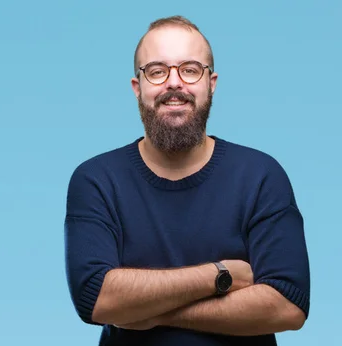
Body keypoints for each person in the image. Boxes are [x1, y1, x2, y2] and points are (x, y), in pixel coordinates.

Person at [63, 15, 310, 346]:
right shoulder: (96, 180)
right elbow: (96, 299)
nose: (174, 83)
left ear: (212, 83)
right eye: (157, 71)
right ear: (138, 88)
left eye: (190, 69)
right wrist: (220, 275)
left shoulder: (261, 176)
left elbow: (288, 306)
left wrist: (151, 312)